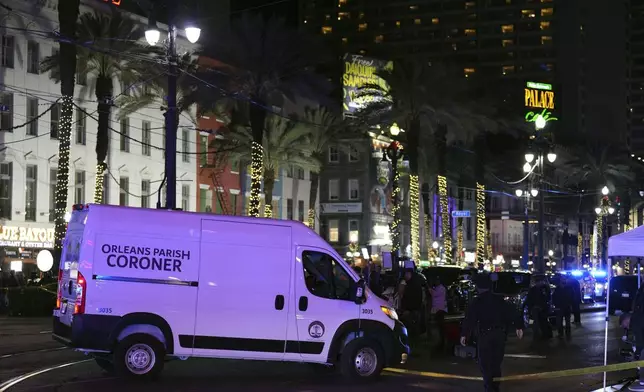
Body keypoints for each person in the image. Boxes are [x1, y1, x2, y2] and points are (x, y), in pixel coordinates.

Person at [461, 273, 524, 392]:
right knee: (496, 363)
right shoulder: (499, 300)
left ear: (478, 287)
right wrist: (519, 326)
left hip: (485, 335)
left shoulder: (477, 301)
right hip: (499, 334)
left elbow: (470, 319)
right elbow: (513, 312)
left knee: (485, 364)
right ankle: (494, 387)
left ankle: (489, 387)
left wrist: (464, 334)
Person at [525, 275, 552, 340]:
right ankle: (540, 334)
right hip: (537, 308)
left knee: (541, 322)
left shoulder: (543, 288)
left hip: (540, 308)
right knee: (537, 322)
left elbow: (547, 298)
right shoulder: (541, 288)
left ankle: (542, 335)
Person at [429, 277, 448, 350]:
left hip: (440, 309)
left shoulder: (441, 288)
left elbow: (433, 294)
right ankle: (440, 343)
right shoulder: (437, 287)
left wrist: (429, 288)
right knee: (439, 327)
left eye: (437, 280)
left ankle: (441, 343)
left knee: (440, 327)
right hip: (437, 309)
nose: (435, 281)